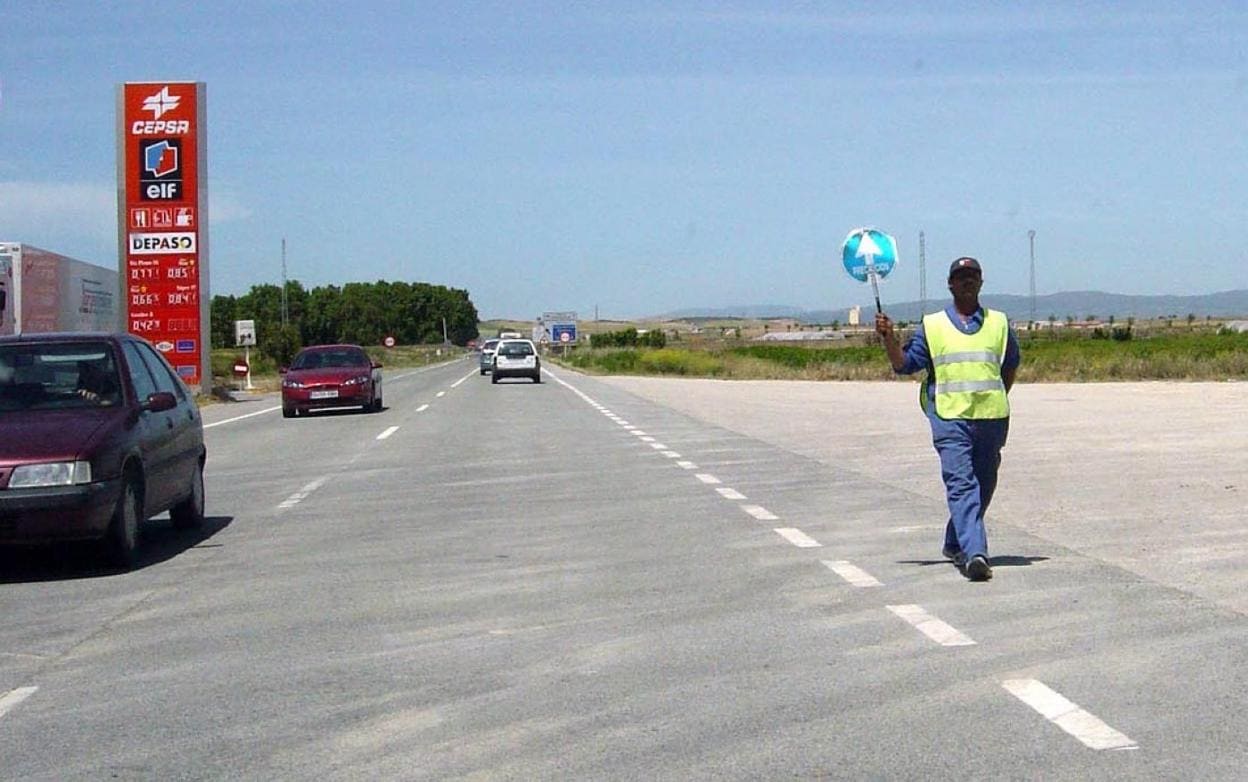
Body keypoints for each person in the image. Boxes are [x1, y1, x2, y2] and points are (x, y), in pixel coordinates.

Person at [875, 257, 1020, 582]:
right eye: (960, 276)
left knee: (984, 485)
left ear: (981, 282)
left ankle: (956, 541)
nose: (967, 281)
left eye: (973, 276)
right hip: (950, 418)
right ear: (950, 284)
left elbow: (1010, 366)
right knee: (961, 485)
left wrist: (997, 396)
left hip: (991, 418)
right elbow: (904, 365)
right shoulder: (933, 326)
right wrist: (889, 338)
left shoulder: (1000, 323)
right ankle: (975, 554)